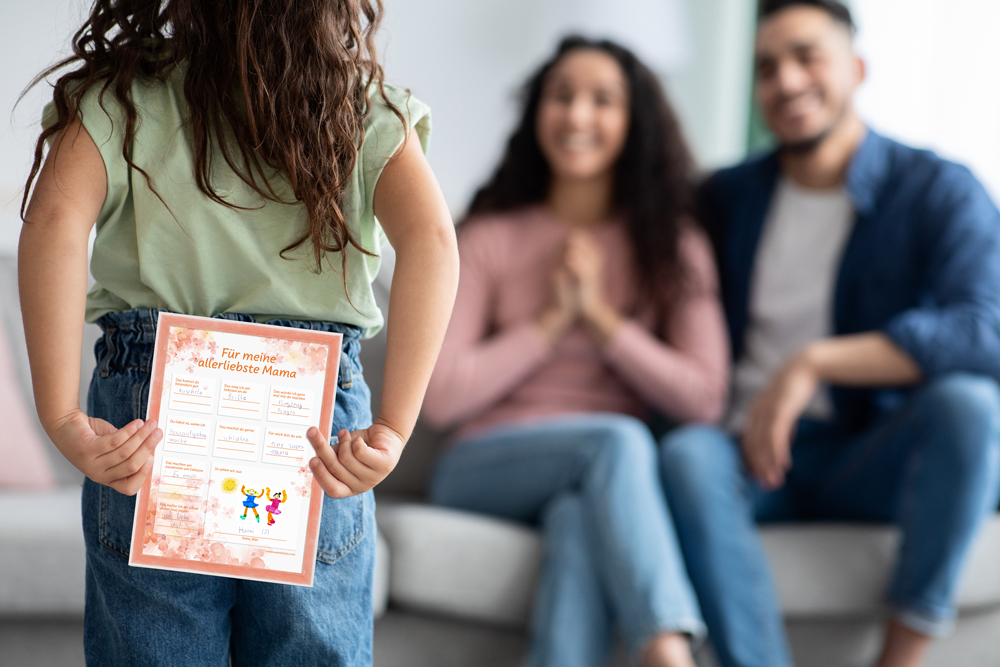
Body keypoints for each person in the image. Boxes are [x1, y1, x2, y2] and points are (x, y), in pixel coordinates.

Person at [17, 1, 459, 665]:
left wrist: (60, 415)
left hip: (158, 396)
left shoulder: (122, 98)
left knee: (155, 646)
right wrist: (393, 425)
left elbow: (51, 223)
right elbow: (431, 242)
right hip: (310, 409)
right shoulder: (362, 109)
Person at [660, 2, 1000, 667]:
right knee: (686, 456)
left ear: (858, 67)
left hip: (866, 451)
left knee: (969, 406)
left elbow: (985, 329)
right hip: (747, 454)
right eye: (766, 68)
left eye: (807, 56)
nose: (786, 81)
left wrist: (813, 362)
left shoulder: (936, 188)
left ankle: (899, 660)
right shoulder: (727, 196)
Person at [422, 36, 730, 667]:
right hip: (482, 465)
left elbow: (704, 398)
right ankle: (669, 651)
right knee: (615, 441)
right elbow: (442, 398)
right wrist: (553, 319)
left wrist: (601, 318)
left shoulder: (672, 245)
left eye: (602, 100)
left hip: (603, 477)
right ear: (538, 113)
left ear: (634, 122)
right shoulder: (487, 237)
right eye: (562, 96)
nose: (578, 115)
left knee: (578, 518)